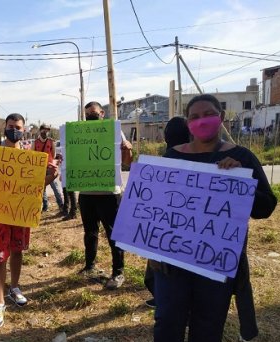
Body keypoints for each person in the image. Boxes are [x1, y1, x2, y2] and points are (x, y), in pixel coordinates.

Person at [152, 94, 277, 342]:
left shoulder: (242, 156)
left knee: (207, 330)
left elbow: (265, 208)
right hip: (172, 263)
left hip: (216, 265)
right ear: (188, 123)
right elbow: (159, 207)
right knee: (166, 326)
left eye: (208, 114)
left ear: (220, 118)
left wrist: (243, 180)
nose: (201, 121)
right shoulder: (173, 157)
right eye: (195, 117)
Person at [0, 113, 58, 328]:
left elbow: (38, 184)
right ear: (5, 127)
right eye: (11, 126)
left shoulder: (29, 154)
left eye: (19, 127)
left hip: (20, 212)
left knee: (17, 251)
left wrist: (53, 175)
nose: (15, 129)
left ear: (24, 130)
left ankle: (14, 287)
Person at [78, 101, 133, 289]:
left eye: (94, 114)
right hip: (86, 193)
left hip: (109, 193)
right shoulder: (79, 133)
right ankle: (89, 266)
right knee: (89, 232)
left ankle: (118, 272)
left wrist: (127, 149)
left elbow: (127, 162)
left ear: (103, 113)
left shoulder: (115, 131)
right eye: (87, 115)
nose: (91, 117)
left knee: (113, 234)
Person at [144, 117, 190, 308]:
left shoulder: (162, 164)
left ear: (165, 138)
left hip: (164, 230)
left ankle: (165, 299)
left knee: (160, 272)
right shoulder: (203, 160)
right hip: (191, 232)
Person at [33, 123, 64, 213]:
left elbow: (53, 154)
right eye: (44, 130)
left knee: (55, 187)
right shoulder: (35, 143)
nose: (46, 132)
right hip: (39, 169)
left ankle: (60, 204)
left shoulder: (51, 142)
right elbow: (32, 155)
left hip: (50, 168)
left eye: (47, 130)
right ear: (40, 130)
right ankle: (45, 206)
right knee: (42, 188)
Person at [55, 153, 77, 221]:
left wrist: (63, 173)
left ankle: (73, 212)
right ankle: (66, 209)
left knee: (71, 192)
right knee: (65, 191)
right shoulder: (64, 148)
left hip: (68, 171)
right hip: (65, 170)